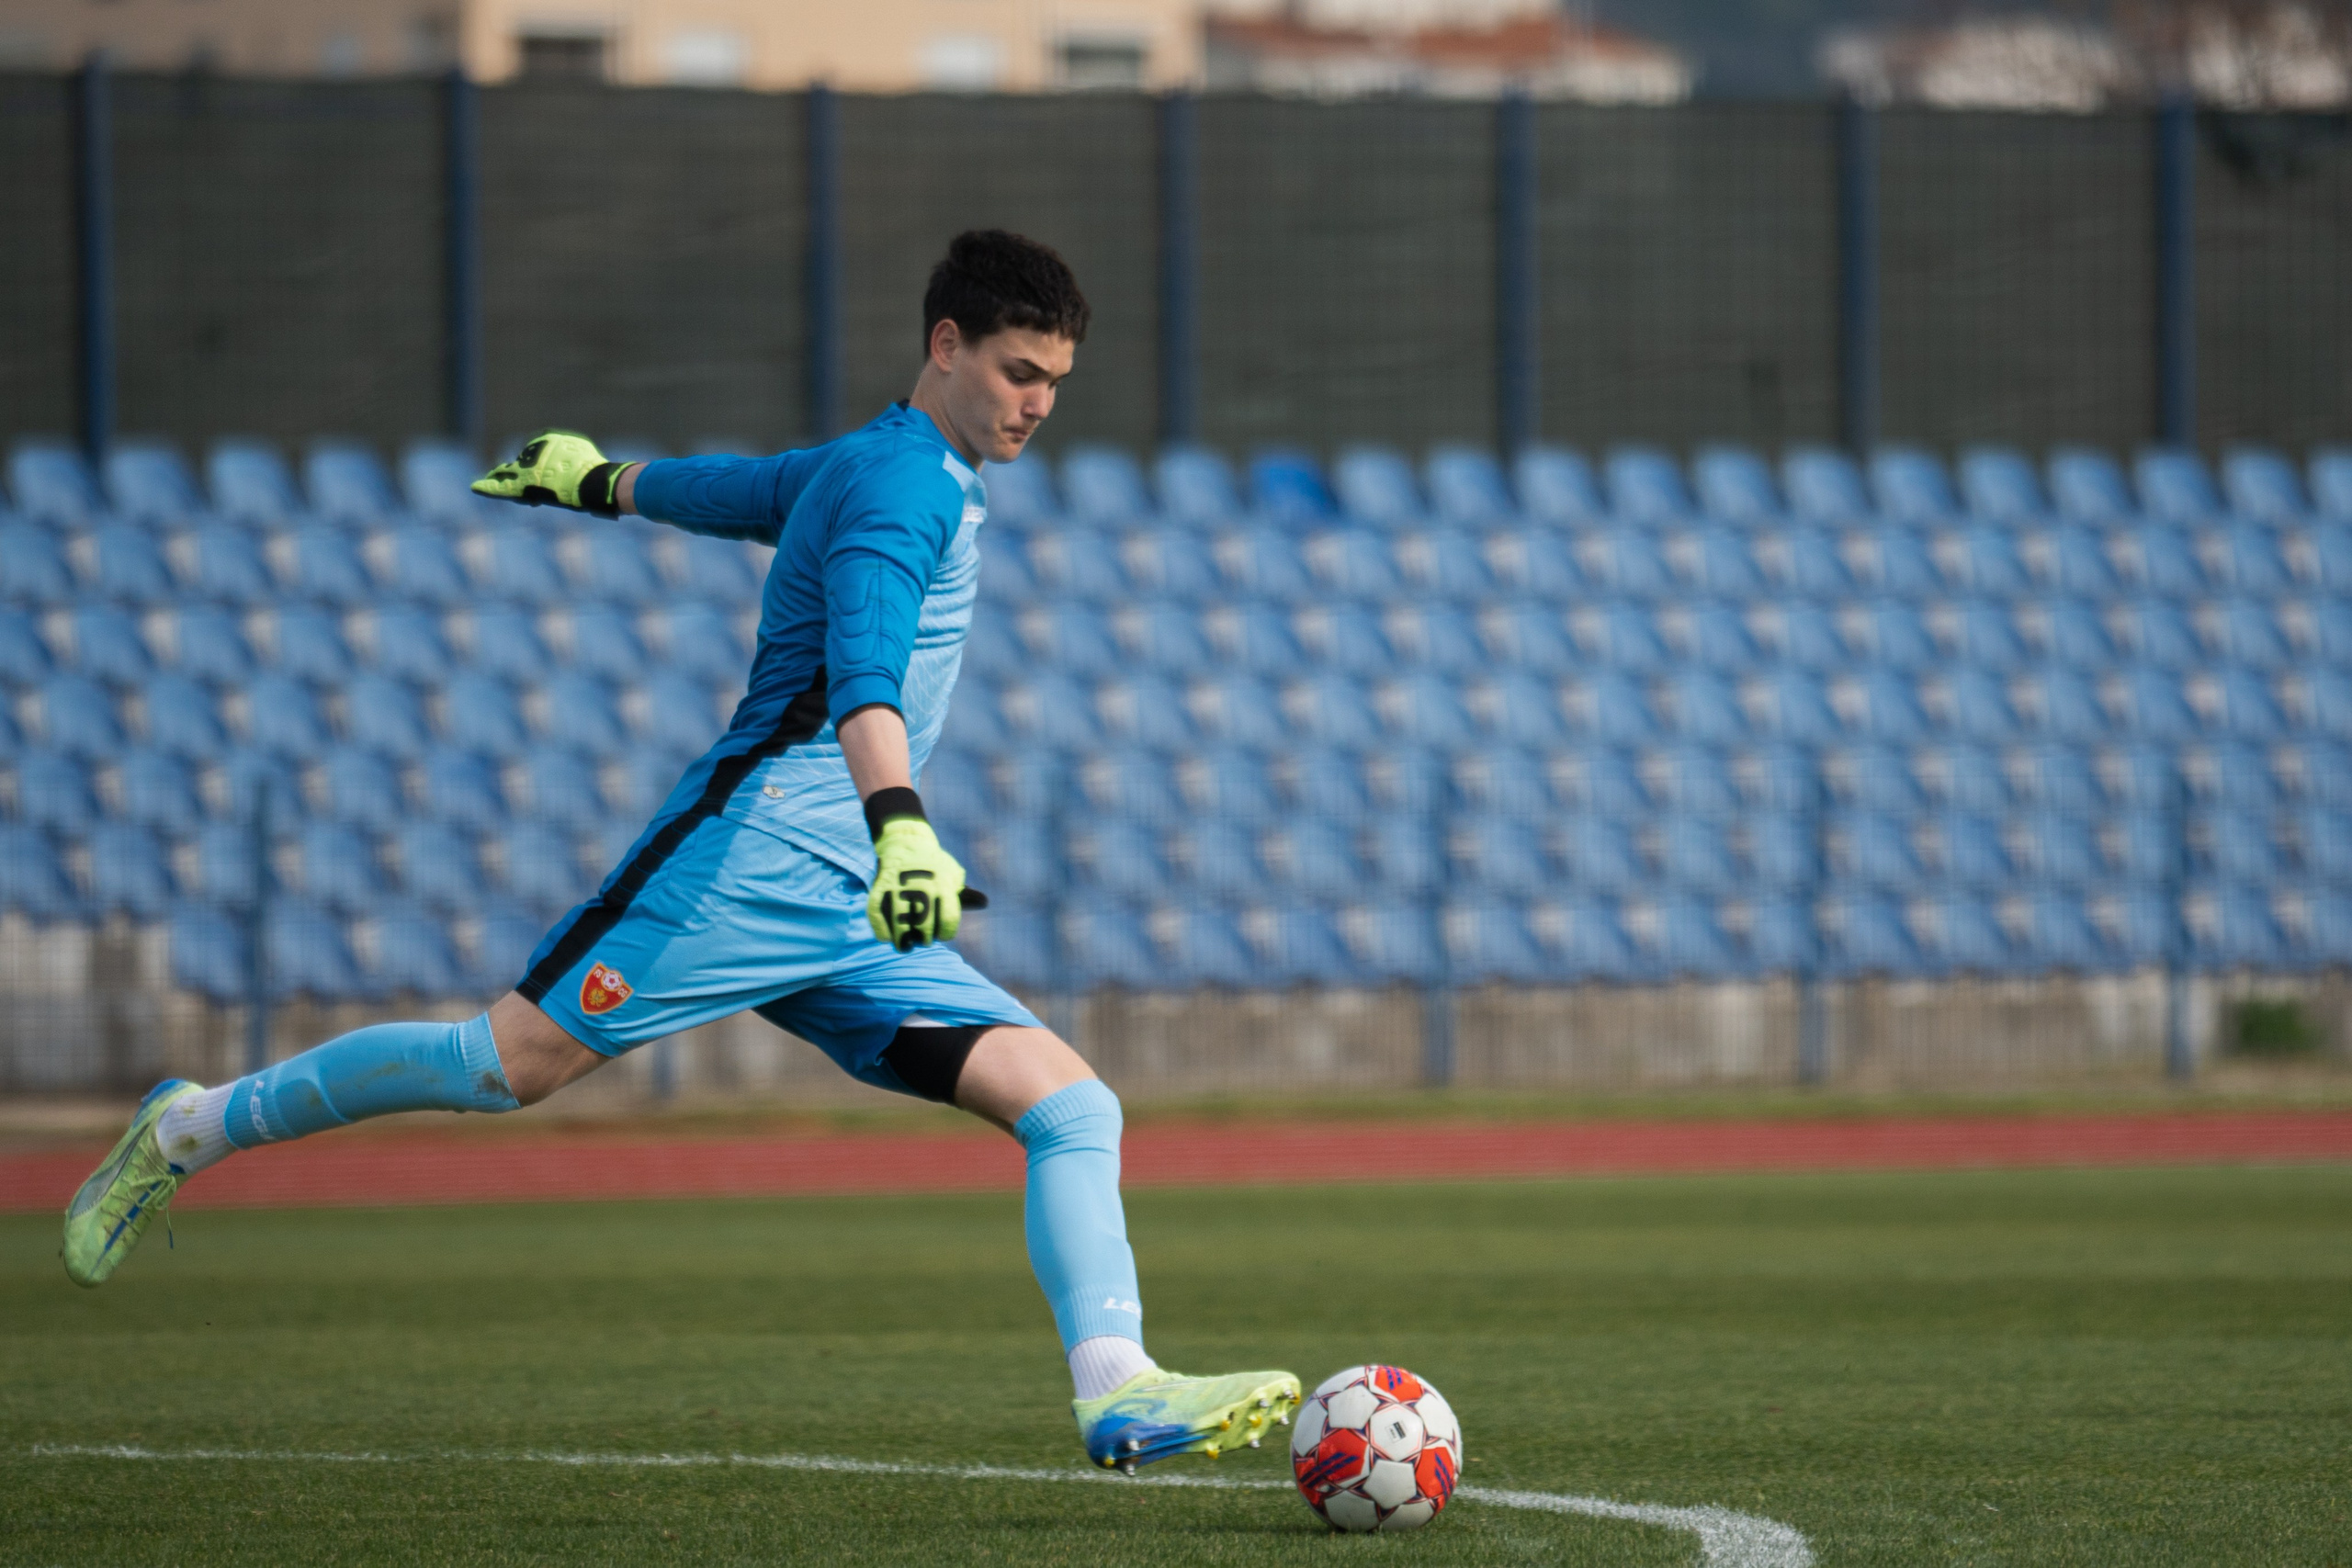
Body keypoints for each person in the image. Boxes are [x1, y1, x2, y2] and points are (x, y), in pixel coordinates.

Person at [62, 229, 1297, 1473]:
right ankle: (189, 1129)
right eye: (1020, 370)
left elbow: (743, 490)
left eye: (1054, 382)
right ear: (946, 346)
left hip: (844, 909)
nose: (1038, 402)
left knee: (1073, 1107)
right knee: (499, 1066)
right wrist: (901, 828)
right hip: (751, 862)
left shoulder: (879, 461)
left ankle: (1118, 1389)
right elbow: (861, 670)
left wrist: (599, 482)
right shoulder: (905, 486)